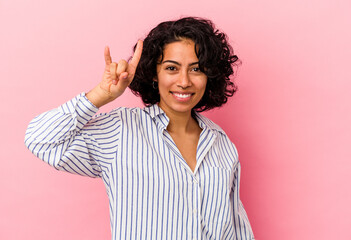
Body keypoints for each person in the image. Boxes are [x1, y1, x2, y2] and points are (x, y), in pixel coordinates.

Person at [25, 17, 254, 240]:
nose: (184, 81)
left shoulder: (221, 142)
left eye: (196, 69)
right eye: (172, 68)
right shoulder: (120, 130)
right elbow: (40, 139)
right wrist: (100, 95)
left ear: (209, 75)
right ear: (155, 73)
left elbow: (235, 226)